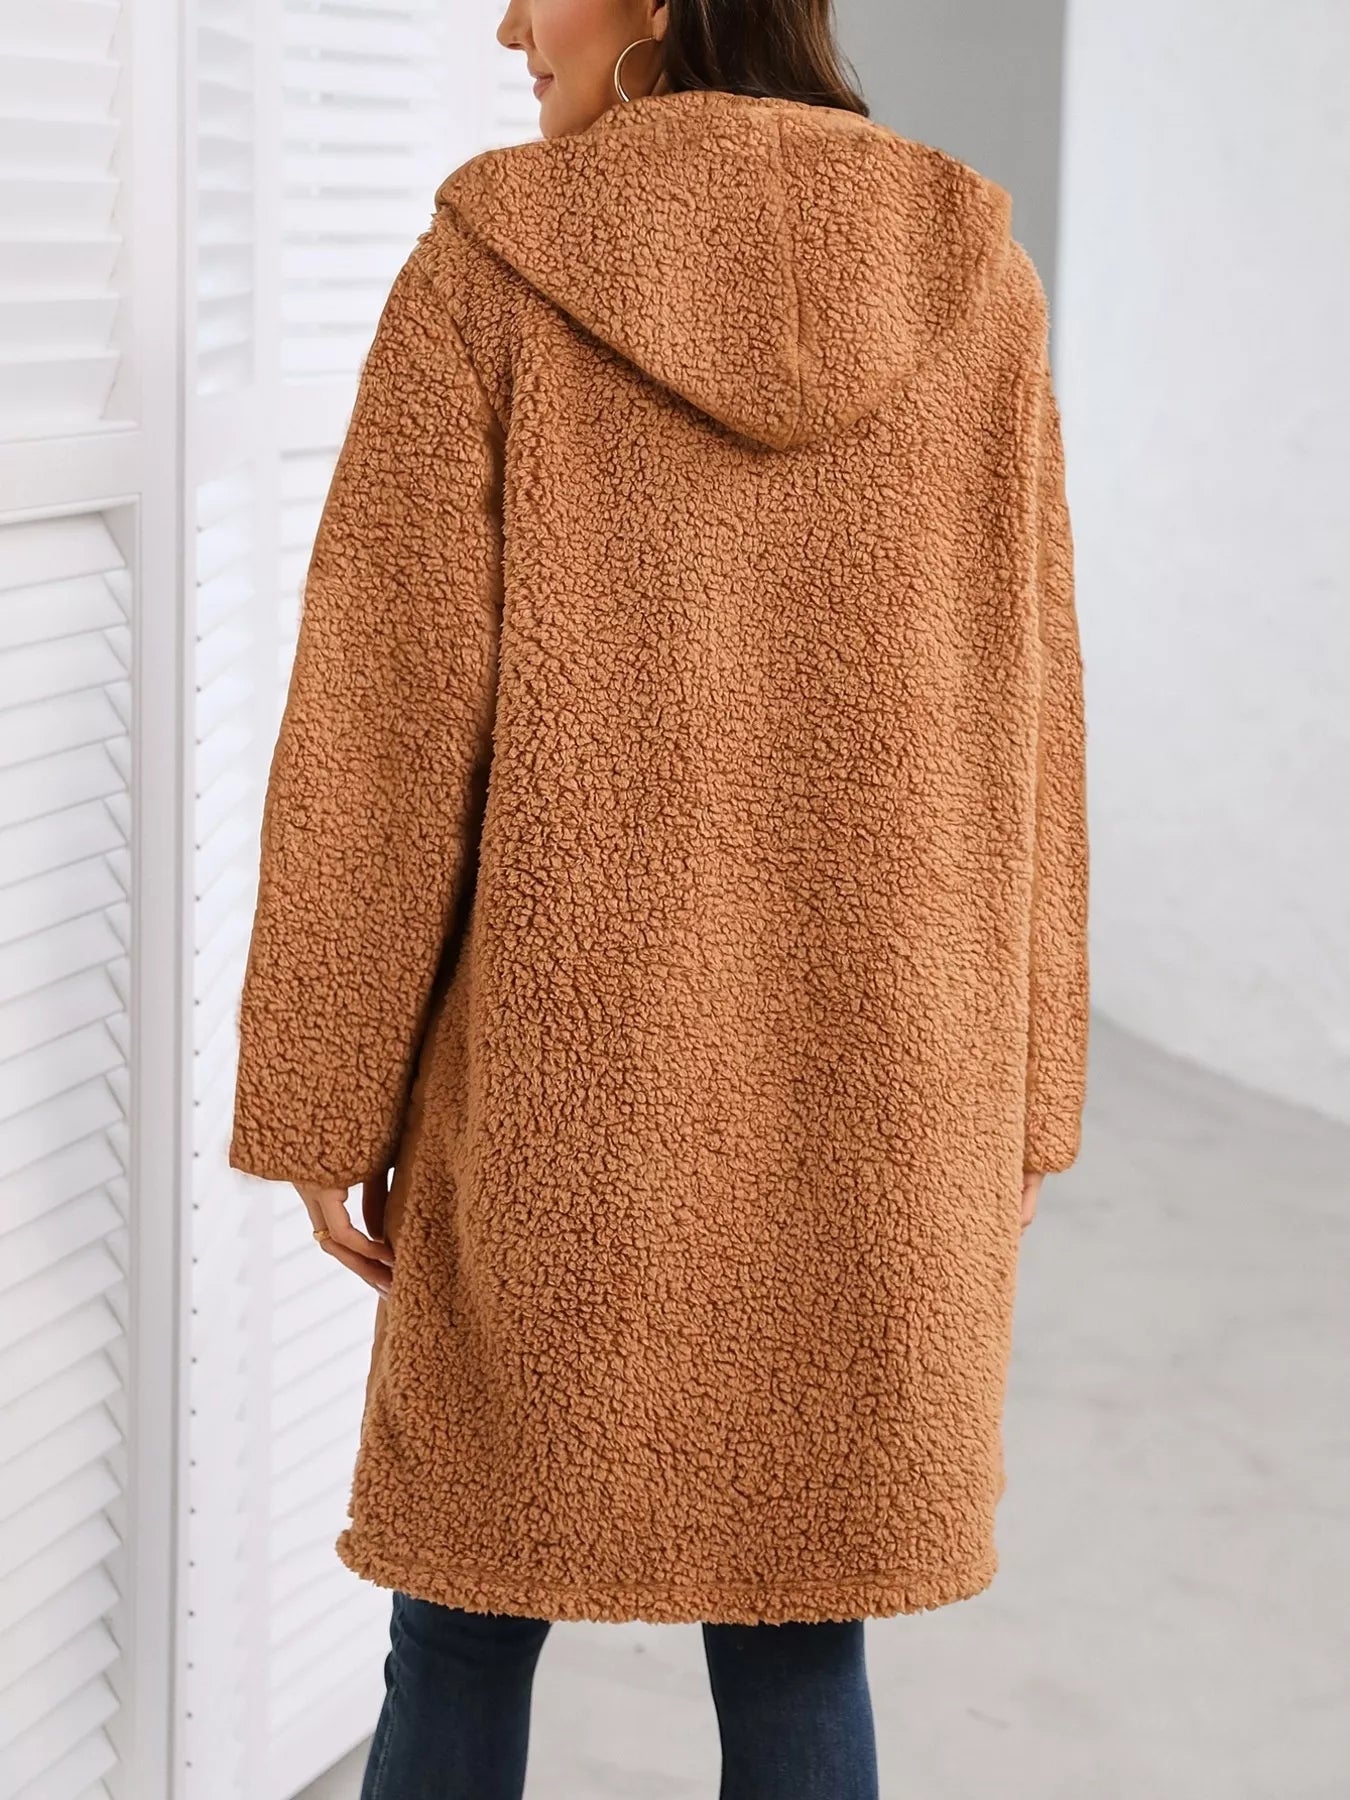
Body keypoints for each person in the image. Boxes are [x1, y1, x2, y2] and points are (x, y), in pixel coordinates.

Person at [227, 0, 1090, 1793]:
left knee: (463, 1617)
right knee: (801, 1634)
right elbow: (1028, 717)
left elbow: (381, 720)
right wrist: (1022, 1095)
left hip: (564, 1106)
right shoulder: (974, 280)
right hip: (882, 1099)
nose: (505, 26)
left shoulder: (492, 265)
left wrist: (322, 1088)